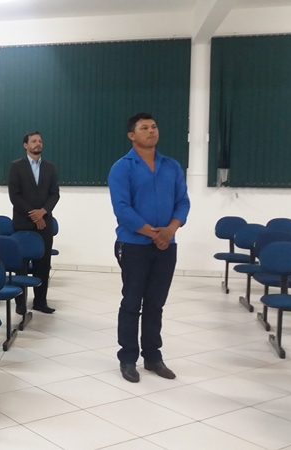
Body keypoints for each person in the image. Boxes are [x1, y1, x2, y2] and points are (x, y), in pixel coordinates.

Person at [107, 112, 190, 383]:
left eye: (154, 126)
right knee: (132, 302)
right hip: (133, 245)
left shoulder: (172, 166)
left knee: (156, 303)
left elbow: (183, 202)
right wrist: (152, 233)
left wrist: (170, 230)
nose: (151, 131)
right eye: (144, 128)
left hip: (167, 245)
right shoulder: (122, 167)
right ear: (132, 135)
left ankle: (153, 357)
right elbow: (122, 208)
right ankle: (128, 358)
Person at [7, 131, 60, 314]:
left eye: (40, 141)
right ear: (25, 145)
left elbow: (55, 194)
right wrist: (34, 215)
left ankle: (40, 302)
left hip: (45, 223)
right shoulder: (16, 166)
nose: (38, 144)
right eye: (34, 141)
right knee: (21, 265)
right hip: (23, 223)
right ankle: (20, 303)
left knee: (43, 264)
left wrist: (42, 212)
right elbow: (15, 196)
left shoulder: (50, 167)